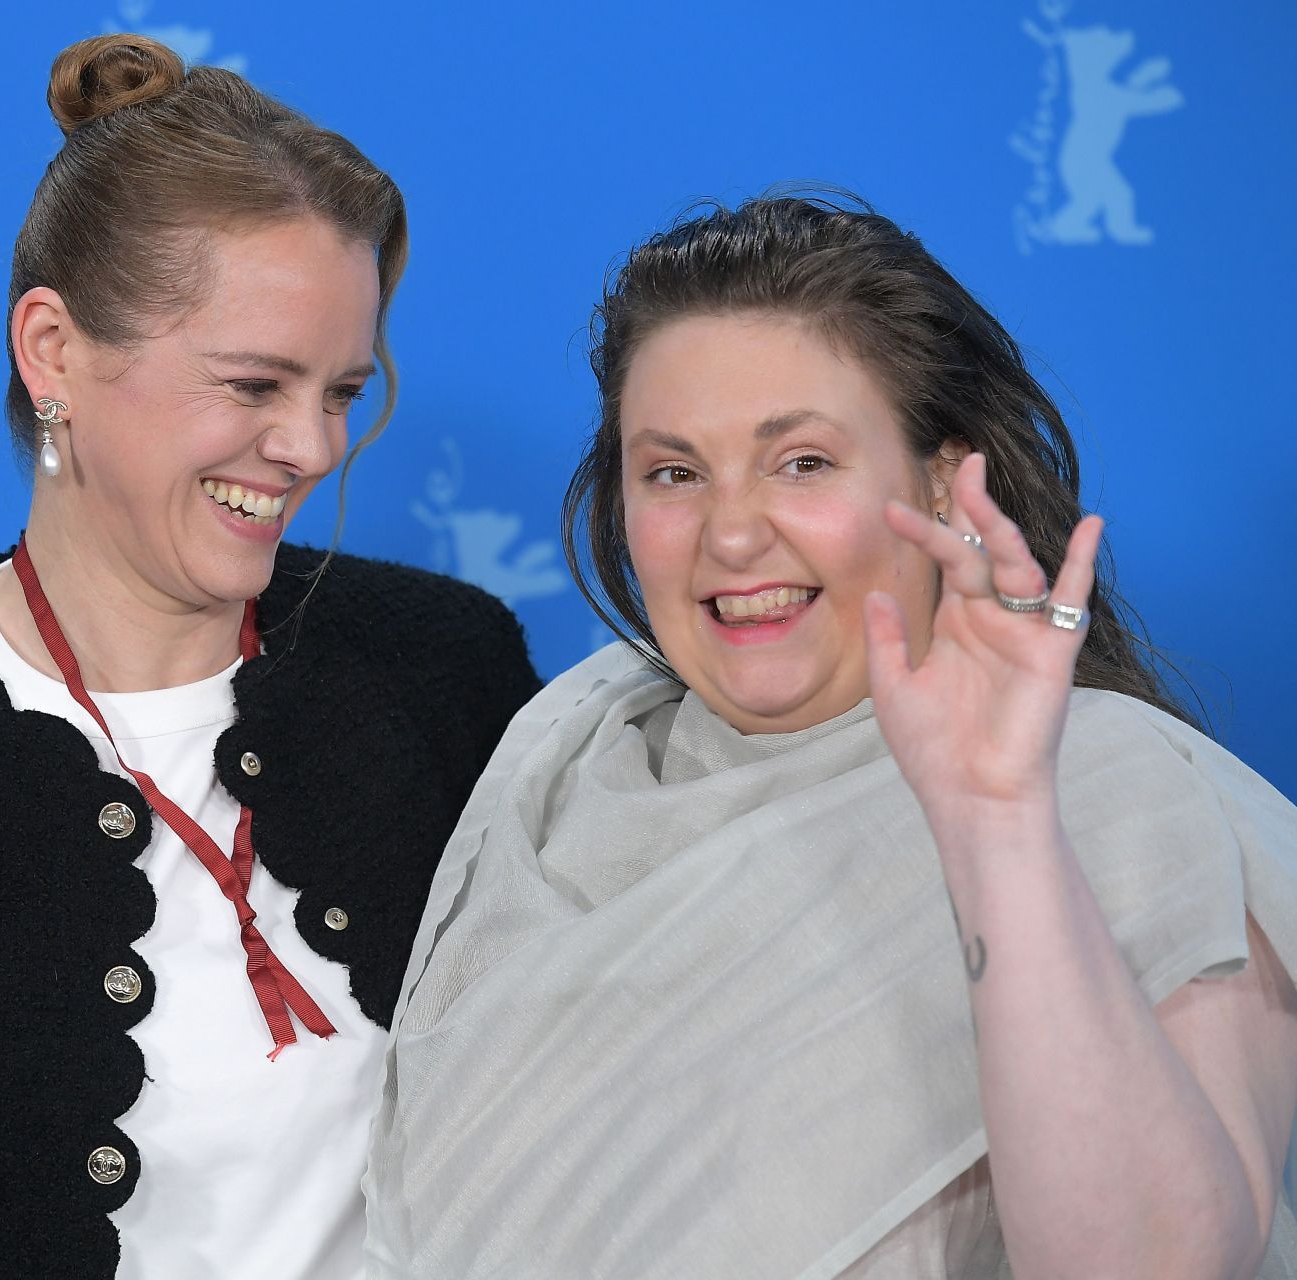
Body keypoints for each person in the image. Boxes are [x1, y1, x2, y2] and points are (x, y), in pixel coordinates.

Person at [0, 34, 539, 1279]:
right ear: (54, 352)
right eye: (254, 382)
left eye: (342, 389)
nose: (313, 445)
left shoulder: (447, 672)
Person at [364, 194, 1297, 1278]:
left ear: (945, 486)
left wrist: (995, 824)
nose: (732, 529)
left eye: (801, 461)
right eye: (673, 472)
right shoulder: (558, 772)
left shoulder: (1109, 786)